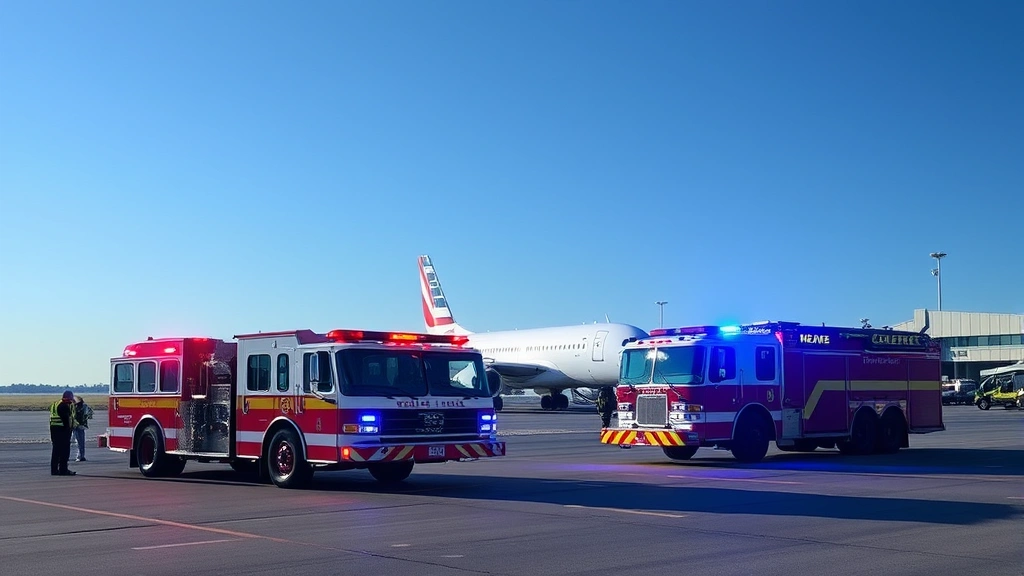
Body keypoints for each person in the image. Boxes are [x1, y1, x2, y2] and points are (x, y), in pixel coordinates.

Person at [49, 391, 77, 476]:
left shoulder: (55, 404)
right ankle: (63, 470)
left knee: (56, 450)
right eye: (71, 397)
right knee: (64, 451)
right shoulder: (64, 406)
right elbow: (66, 420)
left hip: (54, 429)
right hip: (62, 430)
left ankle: (54, 470)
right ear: (68, 397)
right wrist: (69, 430)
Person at [73, 396, 94, 462]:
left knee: (72, 442)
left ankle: (79, 456)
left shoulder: (72, 406)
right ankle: (80, 456)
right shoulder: (84, 406)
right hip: (79, 426)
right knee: (80, 442)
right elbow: (90, 414)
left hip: (74, 426)